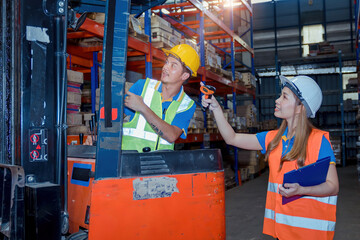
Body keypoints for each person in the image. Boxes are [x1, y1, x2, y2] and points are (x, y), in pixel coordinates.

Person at [201, 75, 339, 240]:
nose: (277, 100)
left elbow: (333, 186)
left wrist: (302, 190)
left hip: (310, 233)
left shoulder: (319, 141)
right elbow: (233, 138)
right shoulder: (274, 139)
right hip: (282, 229)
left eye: (284, 97)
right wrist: (216, 109)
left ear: (300, 107)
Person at [85, 44, 199, 153]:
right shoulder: (143, 87)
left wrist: (143, 108)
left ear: (184, 76)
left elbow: (171, 135)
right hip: (128, 163)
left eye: (173, 65)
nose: (165, 67)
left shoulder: (186, 104)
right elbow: (114, 112)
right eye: (167, 62)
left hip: (159, 167)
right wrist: (95, 134)